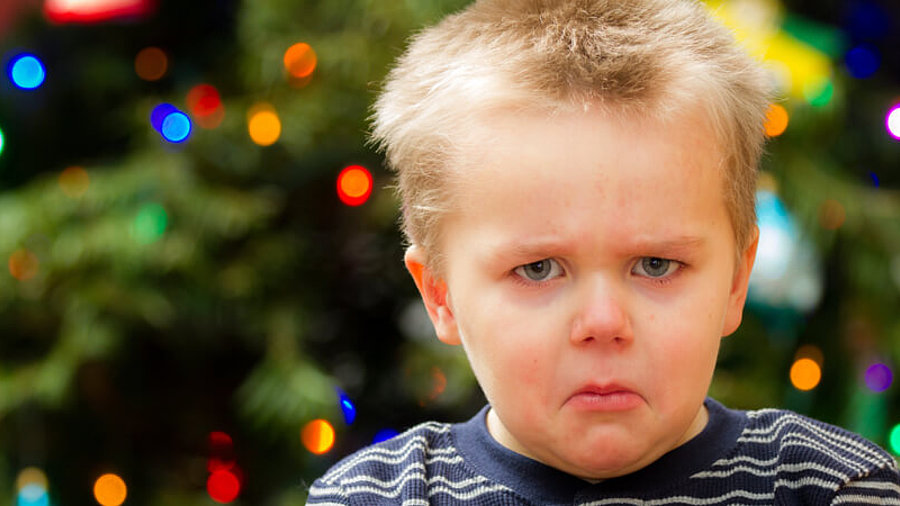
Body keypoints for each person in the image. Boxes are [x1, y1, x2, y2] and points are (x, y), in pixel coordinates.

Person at [306, 0, 900, 503]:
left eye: (656, 265)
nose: (603, 323)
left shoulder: (838, 489)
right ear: (441, 295)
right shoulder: (378, 496)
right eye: (537, 269)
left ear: (736, 283)